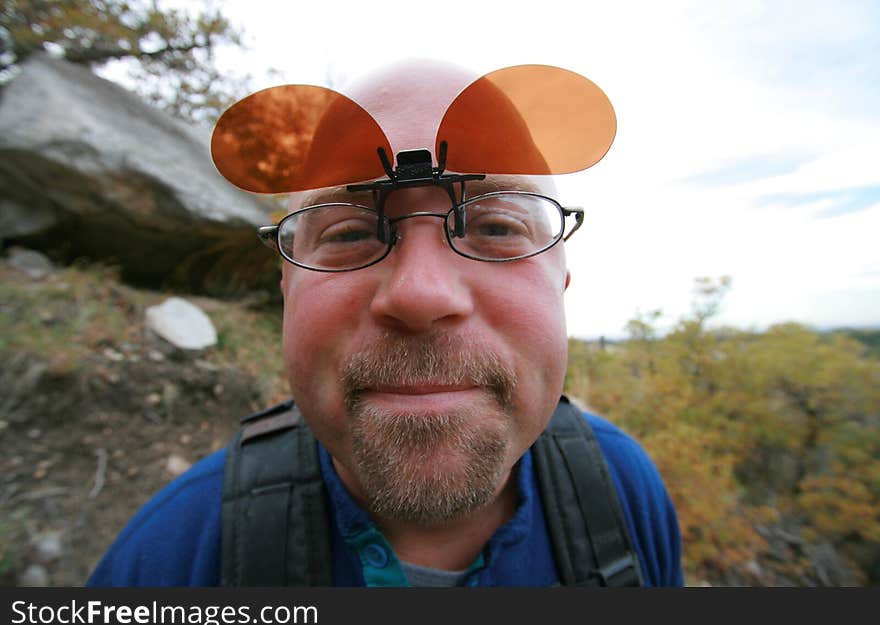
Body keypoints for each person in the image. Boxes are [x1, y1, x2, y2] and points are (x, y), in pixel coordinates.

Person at [87, 60, 684, 587]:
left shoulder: (624, 492)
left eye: (497, 227)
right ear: (287, 288)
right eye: (348, 232)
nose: (420, 294)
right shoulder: (165, 565)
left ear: (562, 279)